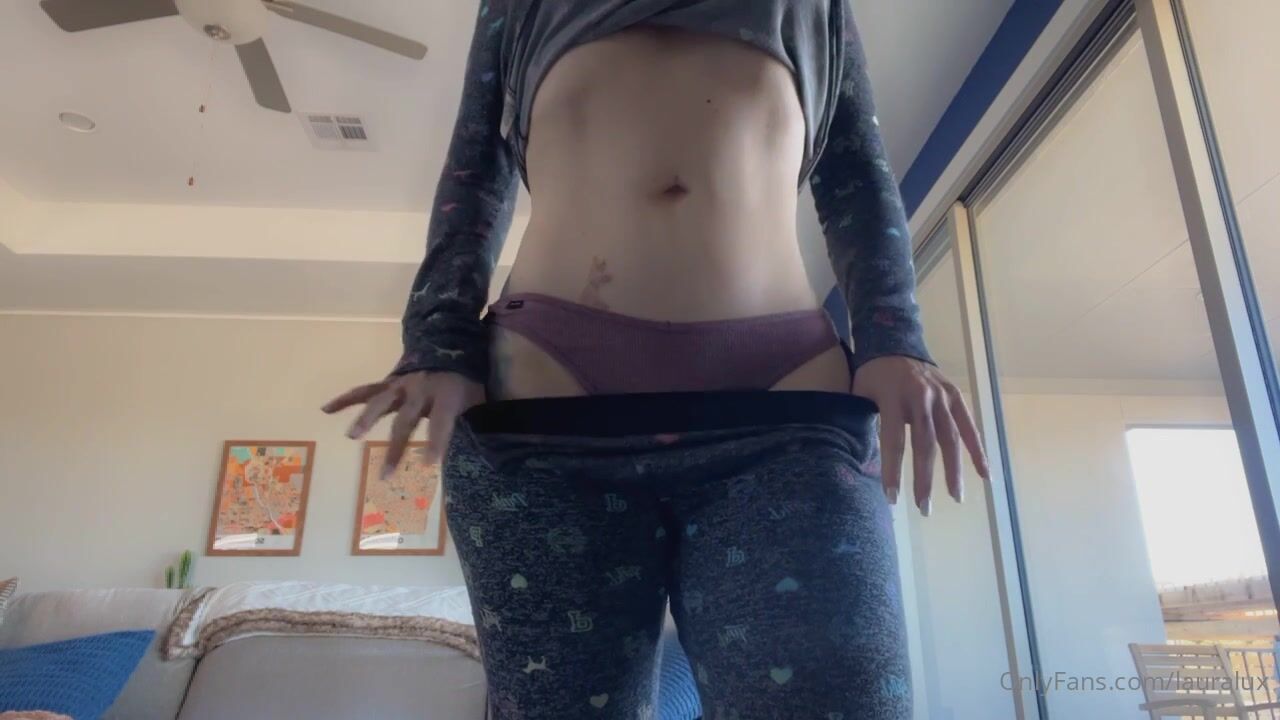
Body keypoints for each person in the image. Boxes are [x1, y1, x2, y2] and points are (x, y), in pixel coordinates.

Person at [324, 1, 990, 717]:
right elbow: (476, 167)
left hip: (784, 403)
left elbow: (855, 169)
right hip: (548, 400)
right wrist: (438, 340)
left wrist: (895, 337)